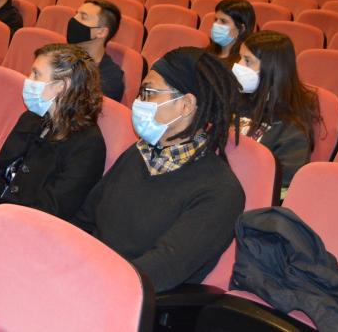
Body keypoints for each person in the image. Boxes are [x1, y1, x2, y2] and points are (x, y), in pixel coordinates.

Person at [75, 47, 245, 292]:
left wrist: (87, 281)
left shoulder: (220, 191)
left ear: (186, 105)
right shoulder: (140, 154)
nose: (138, 102)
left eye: (149, 93)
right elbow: (85, 218)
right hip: (86, 275)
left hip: (124, 299)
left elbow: (161, 269)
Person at [0, 44, 106, 221]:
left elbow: (51, 209)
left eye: (36, 74)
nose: (29, 80)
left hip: (23, 227)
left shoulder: (88, 145)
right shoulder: (31, 118)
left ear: (61, 85)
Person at [234, 31, 320, 189]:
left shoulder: (292, 131)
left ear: (271, 70)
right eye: (240, 57)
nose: (238, 66)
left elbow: (280, 188)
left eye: (247, 61)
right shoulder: (237, 101)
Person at [67, 0, 125, 102]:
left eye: (83, 17)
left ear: (101, 32)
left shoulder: (110, 78)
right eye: (76, 14)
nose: (74, 20)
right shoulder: (59, 55)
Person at [207, 0, 256, 65]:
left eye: (223, 21)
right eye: (216, 20)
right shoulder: (208, 51)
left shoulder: (243, 63)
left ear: (241, 29)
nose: (216, 25)